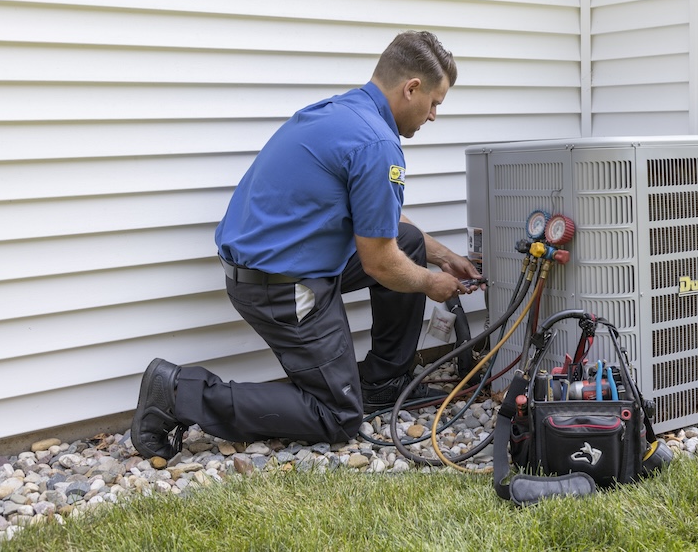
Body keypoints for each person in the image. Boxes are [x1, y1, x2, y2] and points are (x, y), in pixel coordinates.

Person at [131, 31, 481, 460]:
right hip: (279, 285)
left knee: (407, 241)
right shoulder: (377, 144)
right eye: (435, 103)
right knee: (337, 416)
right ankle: (179, 393)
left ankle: (384, 381)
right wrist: (433, 283)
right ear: (412, 89)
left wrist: (446, 258)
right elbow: (380, 263)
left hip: (278, 262)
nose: (432, 116)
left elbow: (383, 224)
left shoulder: (345, 113)